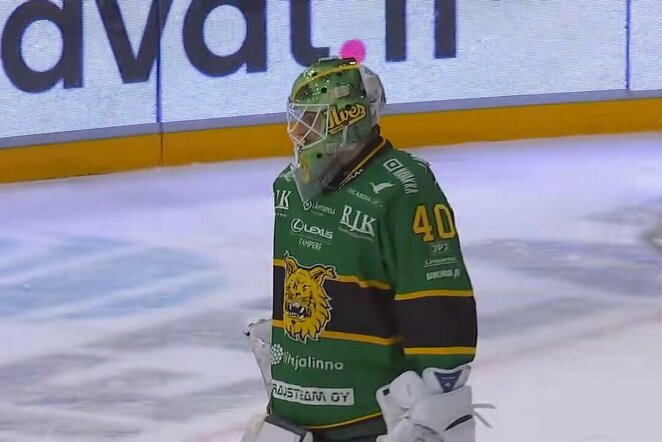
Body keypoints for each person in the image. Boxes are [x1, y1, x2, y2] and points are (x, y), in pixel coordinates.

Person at [242, 57, 478, 442]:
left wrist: (439, 402)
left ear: (346, 119)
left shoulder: (405, 189)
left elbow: (436, 298)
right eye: (297, 119)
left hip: (368, 423)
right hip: (292, 419)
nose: (298, 131)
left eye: (310, 119)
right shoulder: (288, 190)